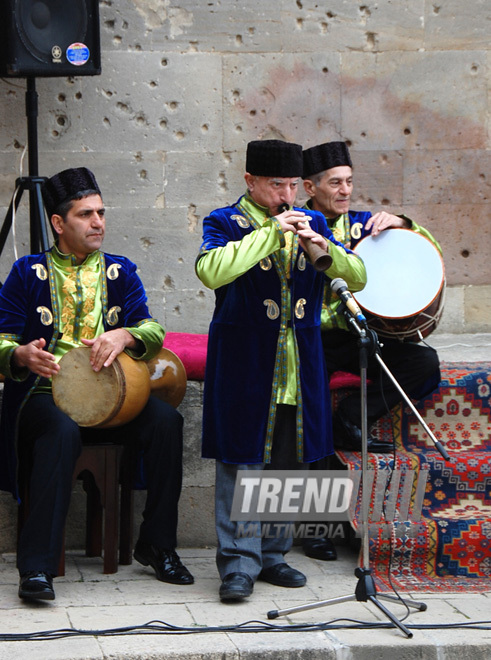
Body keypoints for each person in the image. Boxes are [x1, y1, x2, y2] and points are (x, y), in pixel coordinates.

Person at [0, 167, 194, 602]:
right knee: (60, 431)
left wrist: (125, 335)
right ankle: (36, 567)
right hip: (44, 395)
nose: (98, 222)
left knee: (167, 423)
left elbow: (151, 328)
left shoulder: (120, 273)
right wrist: (18, 354)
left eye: (101, 212)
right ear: (58, 223)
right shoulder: (26, 273)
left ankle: (157, 543)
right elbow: (1, 337)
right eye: (86, 214)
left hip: (115, 400)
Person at [196, 139, 366, 602]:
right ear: (250, 182)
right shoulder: (224, 221)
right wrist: (271, 231)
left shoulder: (312, 221)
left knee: (287, 458)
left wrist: (318, 242)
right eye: (276, 185)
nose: (286, 194)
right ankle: (238, 563)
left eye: (293, 185)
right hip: (245, 360)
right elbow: (211, 271)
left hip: (299, 361)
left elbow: (357, 277)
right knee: (242, 458)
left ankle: (273, 555)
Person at [302, 141, 441, 454]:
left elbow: (428, 251)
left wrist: (402, 223)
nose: (346, 191)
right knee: (308, 385)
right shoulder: (295, 225)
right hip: (309, 337)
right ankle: (317, 449)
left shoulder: (363, 224)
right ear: (310, 187)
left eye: (349, 182)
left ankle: (351, 418)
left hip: (358, 334)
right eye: (336, 182)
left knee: (424, 362)